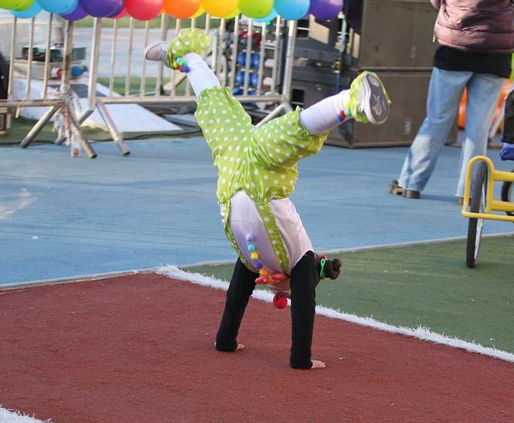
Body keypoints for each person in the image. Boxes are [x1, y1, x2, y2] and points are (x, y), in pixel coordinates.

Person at [145, 29, 390, 369]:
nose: (284, 293)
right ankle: (350, 101)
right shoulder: (301, 259)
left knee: (219, 108)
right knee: (291, 131)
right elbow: (305, 301)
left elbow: (239, 298)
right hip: (256, 177)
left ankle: (186, 55)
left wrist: (226, 341)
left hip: (235, 174)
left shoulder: (253, 264)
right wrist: (301, 360)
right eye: (286, 292)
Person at [388, 0, 514, 202]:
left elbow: (436, 2)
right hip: (495, 54)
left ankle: (411, 183)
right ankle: (469, 192)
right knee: (479, 128)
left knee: (437, 119)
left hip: (455, 47)